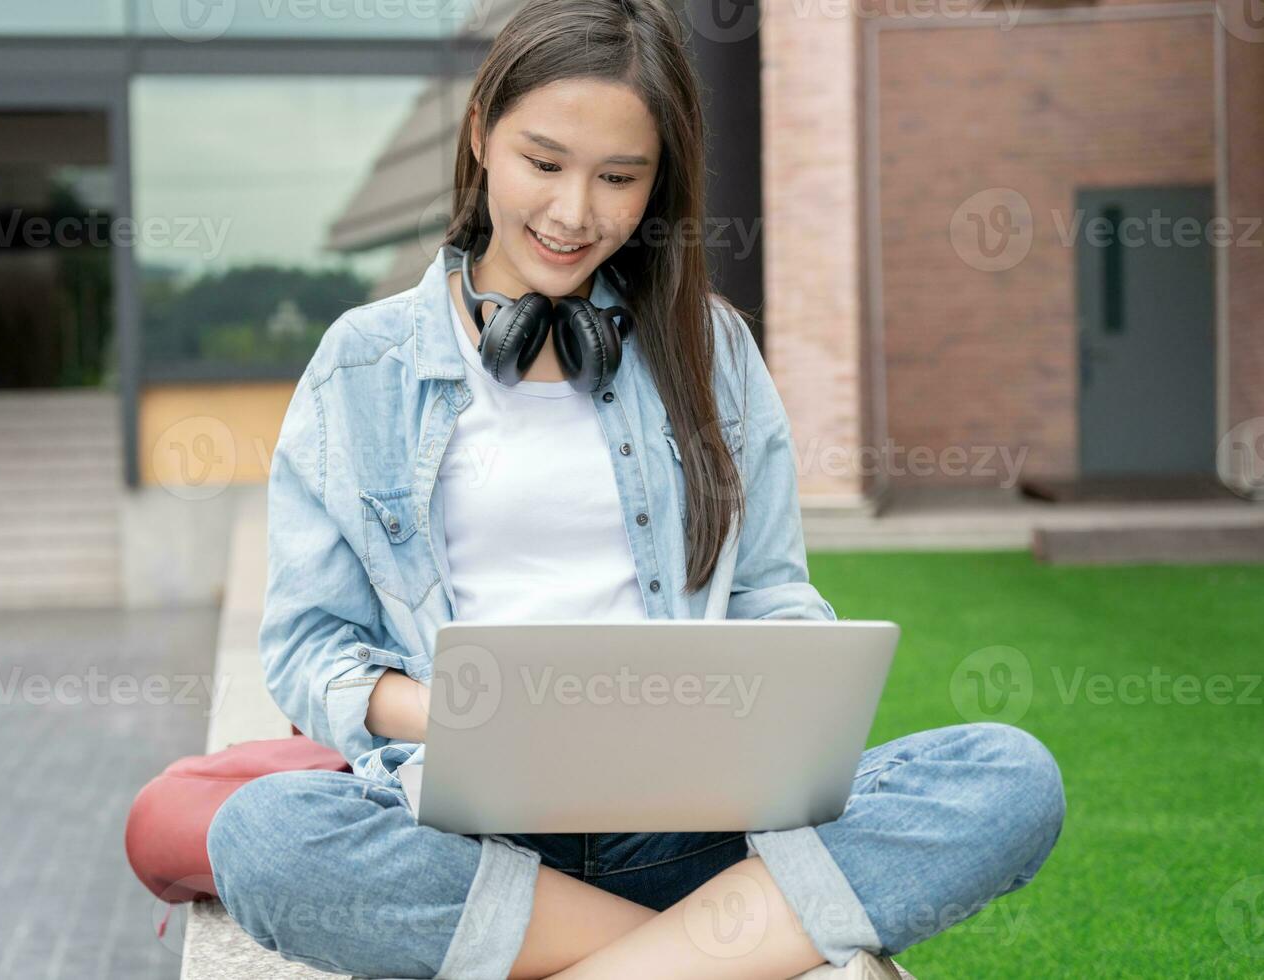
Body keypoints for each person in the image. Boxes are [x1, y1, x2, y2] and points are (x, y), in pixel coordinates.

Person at [206, 0, 1066, 977]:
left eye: (619, 178)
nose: (576, 213)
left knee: (1010, 774)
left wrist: (774, 704)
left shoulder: (714, 349)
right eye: (544, 162)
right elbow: (312, 646)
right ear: (481, 130)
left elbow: (771, 591)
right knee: (266, 837)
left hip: (699, 828)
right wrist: (468, 716)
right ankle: (718, 954)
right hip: (476, 841)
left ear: (659, 183)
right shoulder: (362, 365)